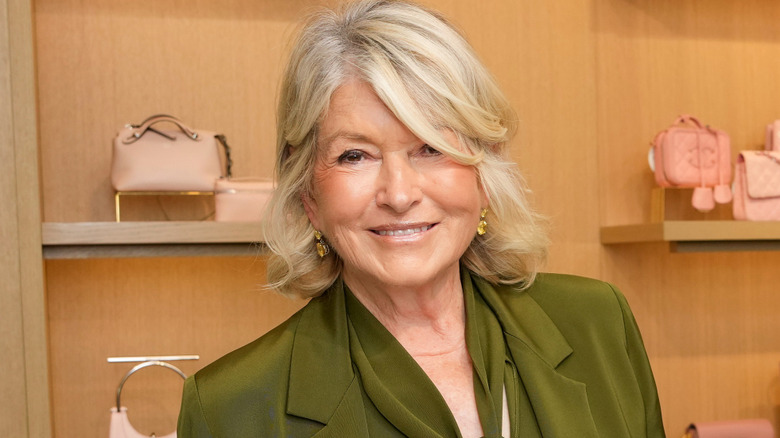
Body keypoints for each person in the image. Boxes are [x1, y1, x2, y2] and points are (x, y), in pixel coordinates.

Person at [177, 0, 666, 436]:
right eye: (354, 156)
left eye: (430, 147)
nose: (399, 193)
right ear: (308, 193)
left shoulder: (599, 323)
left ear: (483, 172)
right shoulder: (228, 409)